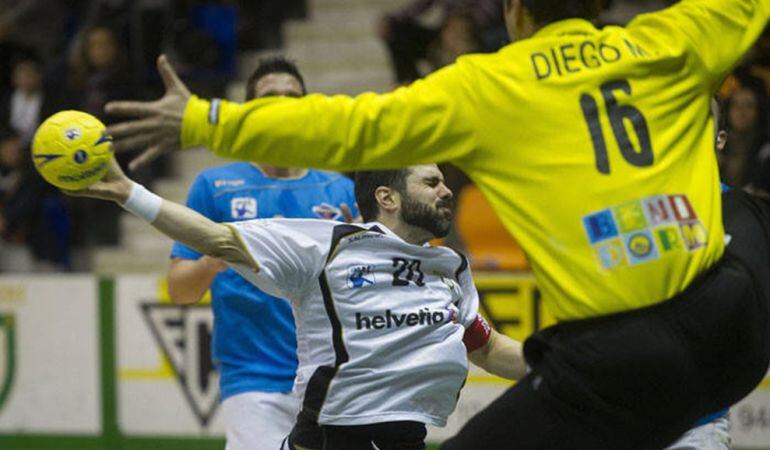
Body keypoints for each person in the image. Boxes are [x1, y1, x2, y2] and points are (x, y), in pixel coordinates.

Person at [103, 0, 770, 448]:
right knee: (741, 204)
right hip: (734, 325)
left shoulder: (490, 87)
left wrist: (206, 120)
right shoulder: (672, 38)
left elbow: (356, 125)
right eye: (428, 179)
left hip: (613, 359)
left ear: (513, 12)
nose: (443, 186)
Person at [65, 162, 525, 450]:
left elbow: (486, 348)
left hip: (405, 436)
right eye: (431, 181)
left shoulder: (449, 267)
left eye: (444, 182)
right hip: (332, 436)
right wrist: (131, 194)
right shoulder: (330, 246)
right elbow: (218, 239)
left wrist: (562, 361)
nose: (446, 190)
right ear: (388, 198)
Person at [166, 57, 358, 450]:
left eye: (292, 96)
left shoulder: (339, 190)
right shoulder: (214, 188)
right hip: (254, 379)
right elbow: (180, 291)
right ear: (249, 113)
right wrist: (214, 258)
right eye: (270, 96)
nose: (283, 103)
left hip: (333, 379)